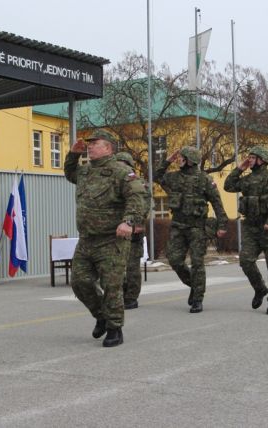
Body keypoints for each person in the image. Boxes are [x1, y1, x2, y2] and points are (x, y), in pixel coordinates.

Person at [64, 129, 146, 347]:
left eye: (95, 143)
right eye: (89, 143)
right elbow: (69, 173)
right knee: (79, 282)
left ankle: (114, 328)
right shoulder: (85, 172)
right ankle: (101, 315)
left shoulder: (121, 172)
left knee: (111, 285)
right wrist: (73, 154)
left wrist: (128, 221)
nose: (90, 146)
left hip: (111, 240)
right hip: (86, 239)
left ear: (108, 147)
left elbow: (137, 196)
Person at [155, 146, 228, 313]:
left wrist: (222, 225)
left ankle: (197, 299)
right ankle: (195, 285)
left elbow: (217, 203)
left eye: (181, 157)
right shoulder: (174, 177)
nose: (178, 159)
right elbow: (157, 176)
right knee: (174, 260)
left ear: (190, 160)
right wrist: (167, 161)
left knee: (197, 263)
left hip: (197, 228)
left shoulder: (205, 179)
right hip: (178, 226)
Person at [224, 146, 268, 315]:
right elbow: (228, 186)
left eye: (253, 157)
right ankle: (260, 288)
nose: (250, 160)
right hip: (251, 228)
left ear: (262, 160)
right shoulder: (247, 180)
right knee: (245, 260)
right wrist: (239, 169)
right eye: (249, 157)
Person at [115, 151, 151, 310]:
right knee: (116, 266)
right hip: (117, 229)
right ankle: (119, 295)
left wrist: (135, 224)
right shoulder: (113, 181)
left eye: (123, 164)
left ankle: (131, 297)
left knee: (132, 266)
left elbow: (144, 207)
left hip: (133, 229)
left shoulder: (139, 183)